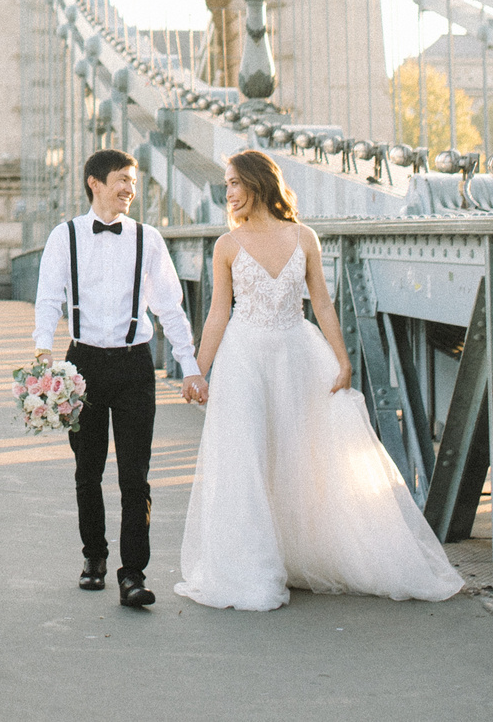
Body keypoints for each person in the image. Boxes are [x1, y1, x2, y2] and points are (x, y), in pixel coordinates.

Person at [174, 149, 463, 611]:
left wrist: (342, 361)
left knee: (298, 453)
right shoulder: (226, 246)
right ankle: (252, 567)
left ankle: (297, 554)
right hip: (244, 356)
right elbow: (217, 312)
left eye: (233, 183)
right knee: (246, 455)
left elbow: (323, 304)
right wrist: (196, 369)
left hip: (297, 352)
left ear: (257, 183)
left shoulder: (304, 237)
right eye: (226, 184)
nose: (227, 193)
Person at [29, 148, 208, 608]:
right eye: (122, 180)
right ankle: (94, 558)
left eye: (133, 181)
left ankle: (133, 573)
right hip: (81, 365)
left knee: (136, 476)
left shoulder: (149, 240)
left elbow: (170, 307)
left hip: (133, 365)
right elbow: (48, 297)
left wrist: (190, 368)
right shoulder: (63, 236)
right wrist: (42, 352)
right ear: (95, 183)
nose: (130, 189)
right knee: (87, 472)